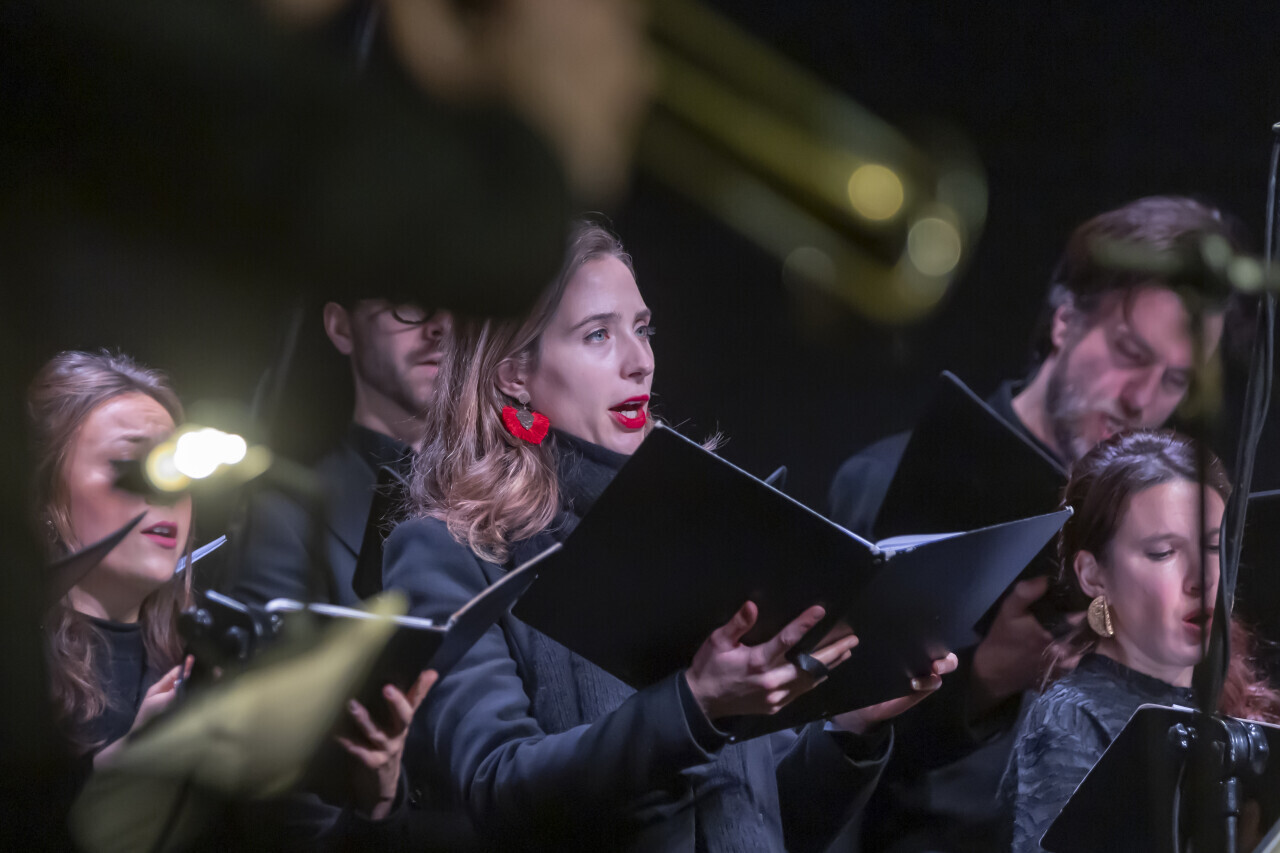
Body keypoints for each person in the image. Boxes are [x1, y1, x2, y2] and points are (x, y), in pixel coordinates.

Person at [383, 219, 958, 851]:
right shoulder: (449, 550)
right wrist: (695, 705)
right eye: (598, 334)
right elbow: (500, 788)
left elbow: (764, 820)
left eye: (642, 328)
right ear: (514, 374)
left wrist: (851, 726)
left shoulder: (708, 526)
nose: (640, 361)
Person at [827, 195, 1241, 852]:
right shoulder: (888, 477)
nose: (1141, 398)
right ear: (1065, 320)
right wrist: (984, 679)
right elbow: (807, 747)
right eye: (1129, 351)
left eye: (1174, 380)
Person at [28, 350, 429, 846]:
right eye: (134, 465)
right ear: (43, 495)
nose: (166, 489)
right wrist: (123, 765)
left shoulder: (217, 656)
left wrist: (376, 800)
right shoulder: (20, 674)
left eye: (178, 466)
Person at [1003, 430, 1280, 853]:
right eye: (1163, 552)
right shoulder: (1070, 720)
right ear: (1093, 575)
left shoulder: (1234, 701)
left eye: (1213, 547)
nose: (1203, 579)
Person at [231, 299, 452, 608]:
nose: (443, 325)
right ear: (341, 327)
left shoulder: (514, 487)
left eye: (461, 308)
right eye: (410, 303)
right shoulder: (287, 517)